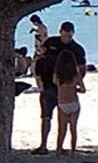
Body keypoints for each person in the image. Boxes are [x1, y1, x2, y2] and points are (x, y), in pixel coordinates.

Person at [32, 22, 88, 155]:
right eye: (64, 36)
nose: (66, 39)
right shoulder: (51, 42)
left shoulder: (77, 49)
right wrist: (38, 79)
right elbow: (39, 59)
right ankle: (43, 145)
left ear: (73, 34)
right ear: (60, 32)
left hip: (64, 88)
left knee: (65, 122)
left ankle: (62, 147)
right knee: (46, 116)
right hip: (48, 85)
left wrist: (74, 84)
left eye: (69, 36)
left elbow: (82, 69)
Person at [52, 45, 84, 154]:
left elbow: (55, 84)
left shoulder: (58, 76)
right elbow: (83, 90)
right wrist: (75, 89)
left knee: (61, 129)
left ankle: (58, 150)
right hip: (74, 103)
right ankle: (73, 151)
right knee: (73, 129)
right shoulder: (76, 75)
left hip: (62, 103)